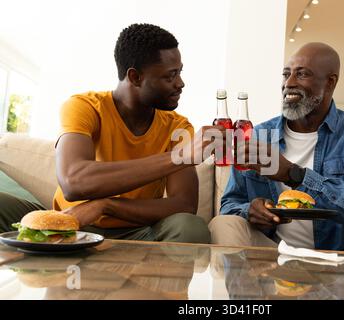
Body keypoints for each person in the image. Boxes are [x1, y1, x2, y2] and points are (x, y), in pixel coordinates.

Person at [0, 23, 220, 243]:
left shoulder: (177, 127)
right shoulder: (85, 107)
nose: (180, 83)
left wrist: (107, 205)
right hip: (69, 225)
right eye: (170, 76)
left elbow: (184, 205)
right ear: (135, 77)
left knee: (190, 227)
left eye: (180, 72)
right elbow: (73, 183)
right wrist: (177, 158)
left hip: (139, 232)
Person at [209, 42, 344, 253]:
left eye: (302, 74)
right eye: (286, 75)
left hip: (342, 260)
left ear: (330, 82)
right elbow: (229, 204)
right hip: (271, 257)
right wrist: (250, 211)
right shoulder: (259, 136)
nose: (288, 83)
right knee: (223, 223)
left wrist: (295, 175)